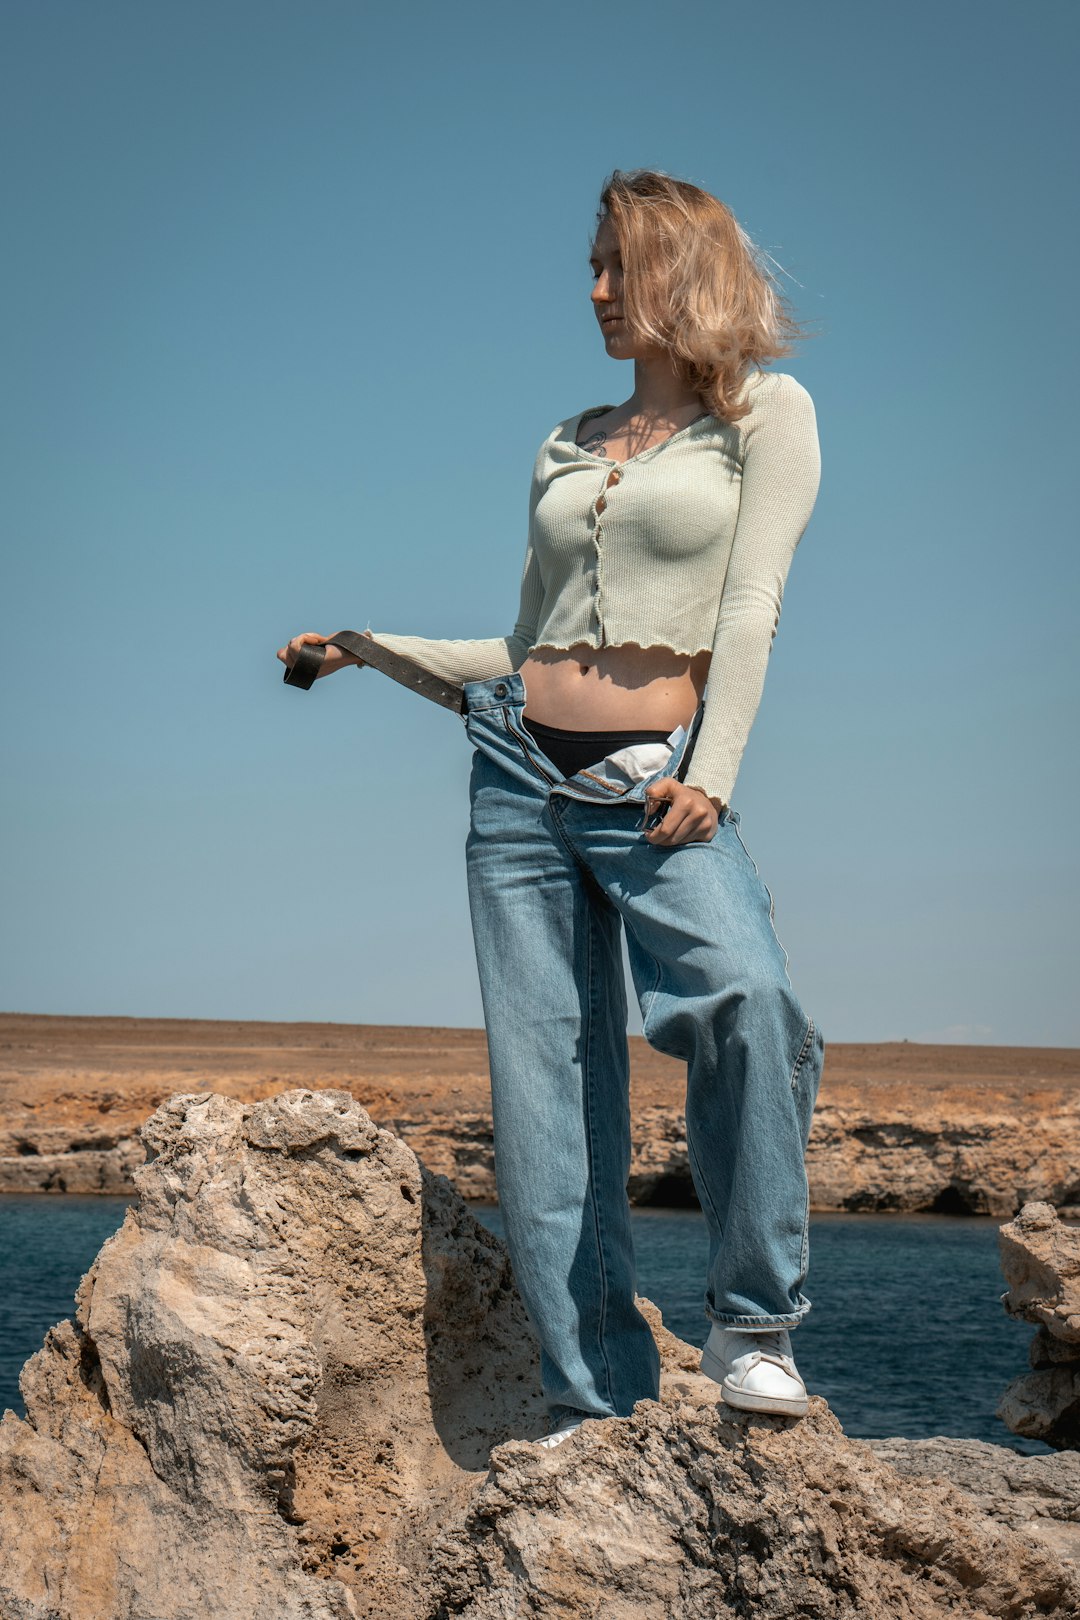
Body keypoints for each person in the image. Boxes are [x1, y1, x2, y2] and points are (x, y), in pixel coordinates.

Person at [278, 169, 825, 1450]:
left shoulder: (766, 418)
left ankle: (755, 1329)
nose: (593, 292)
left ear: (682, 271)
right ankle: (595, 1403)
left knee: (750, 999)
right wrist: (366, 646)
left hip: (654, 784)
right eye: (590, 267)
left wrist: (716, 771)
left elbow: (750, 607)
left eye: (616, 267)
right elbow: (522, 648)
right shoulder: (567, 440)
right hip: (517, 780)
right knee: (549, 1097)